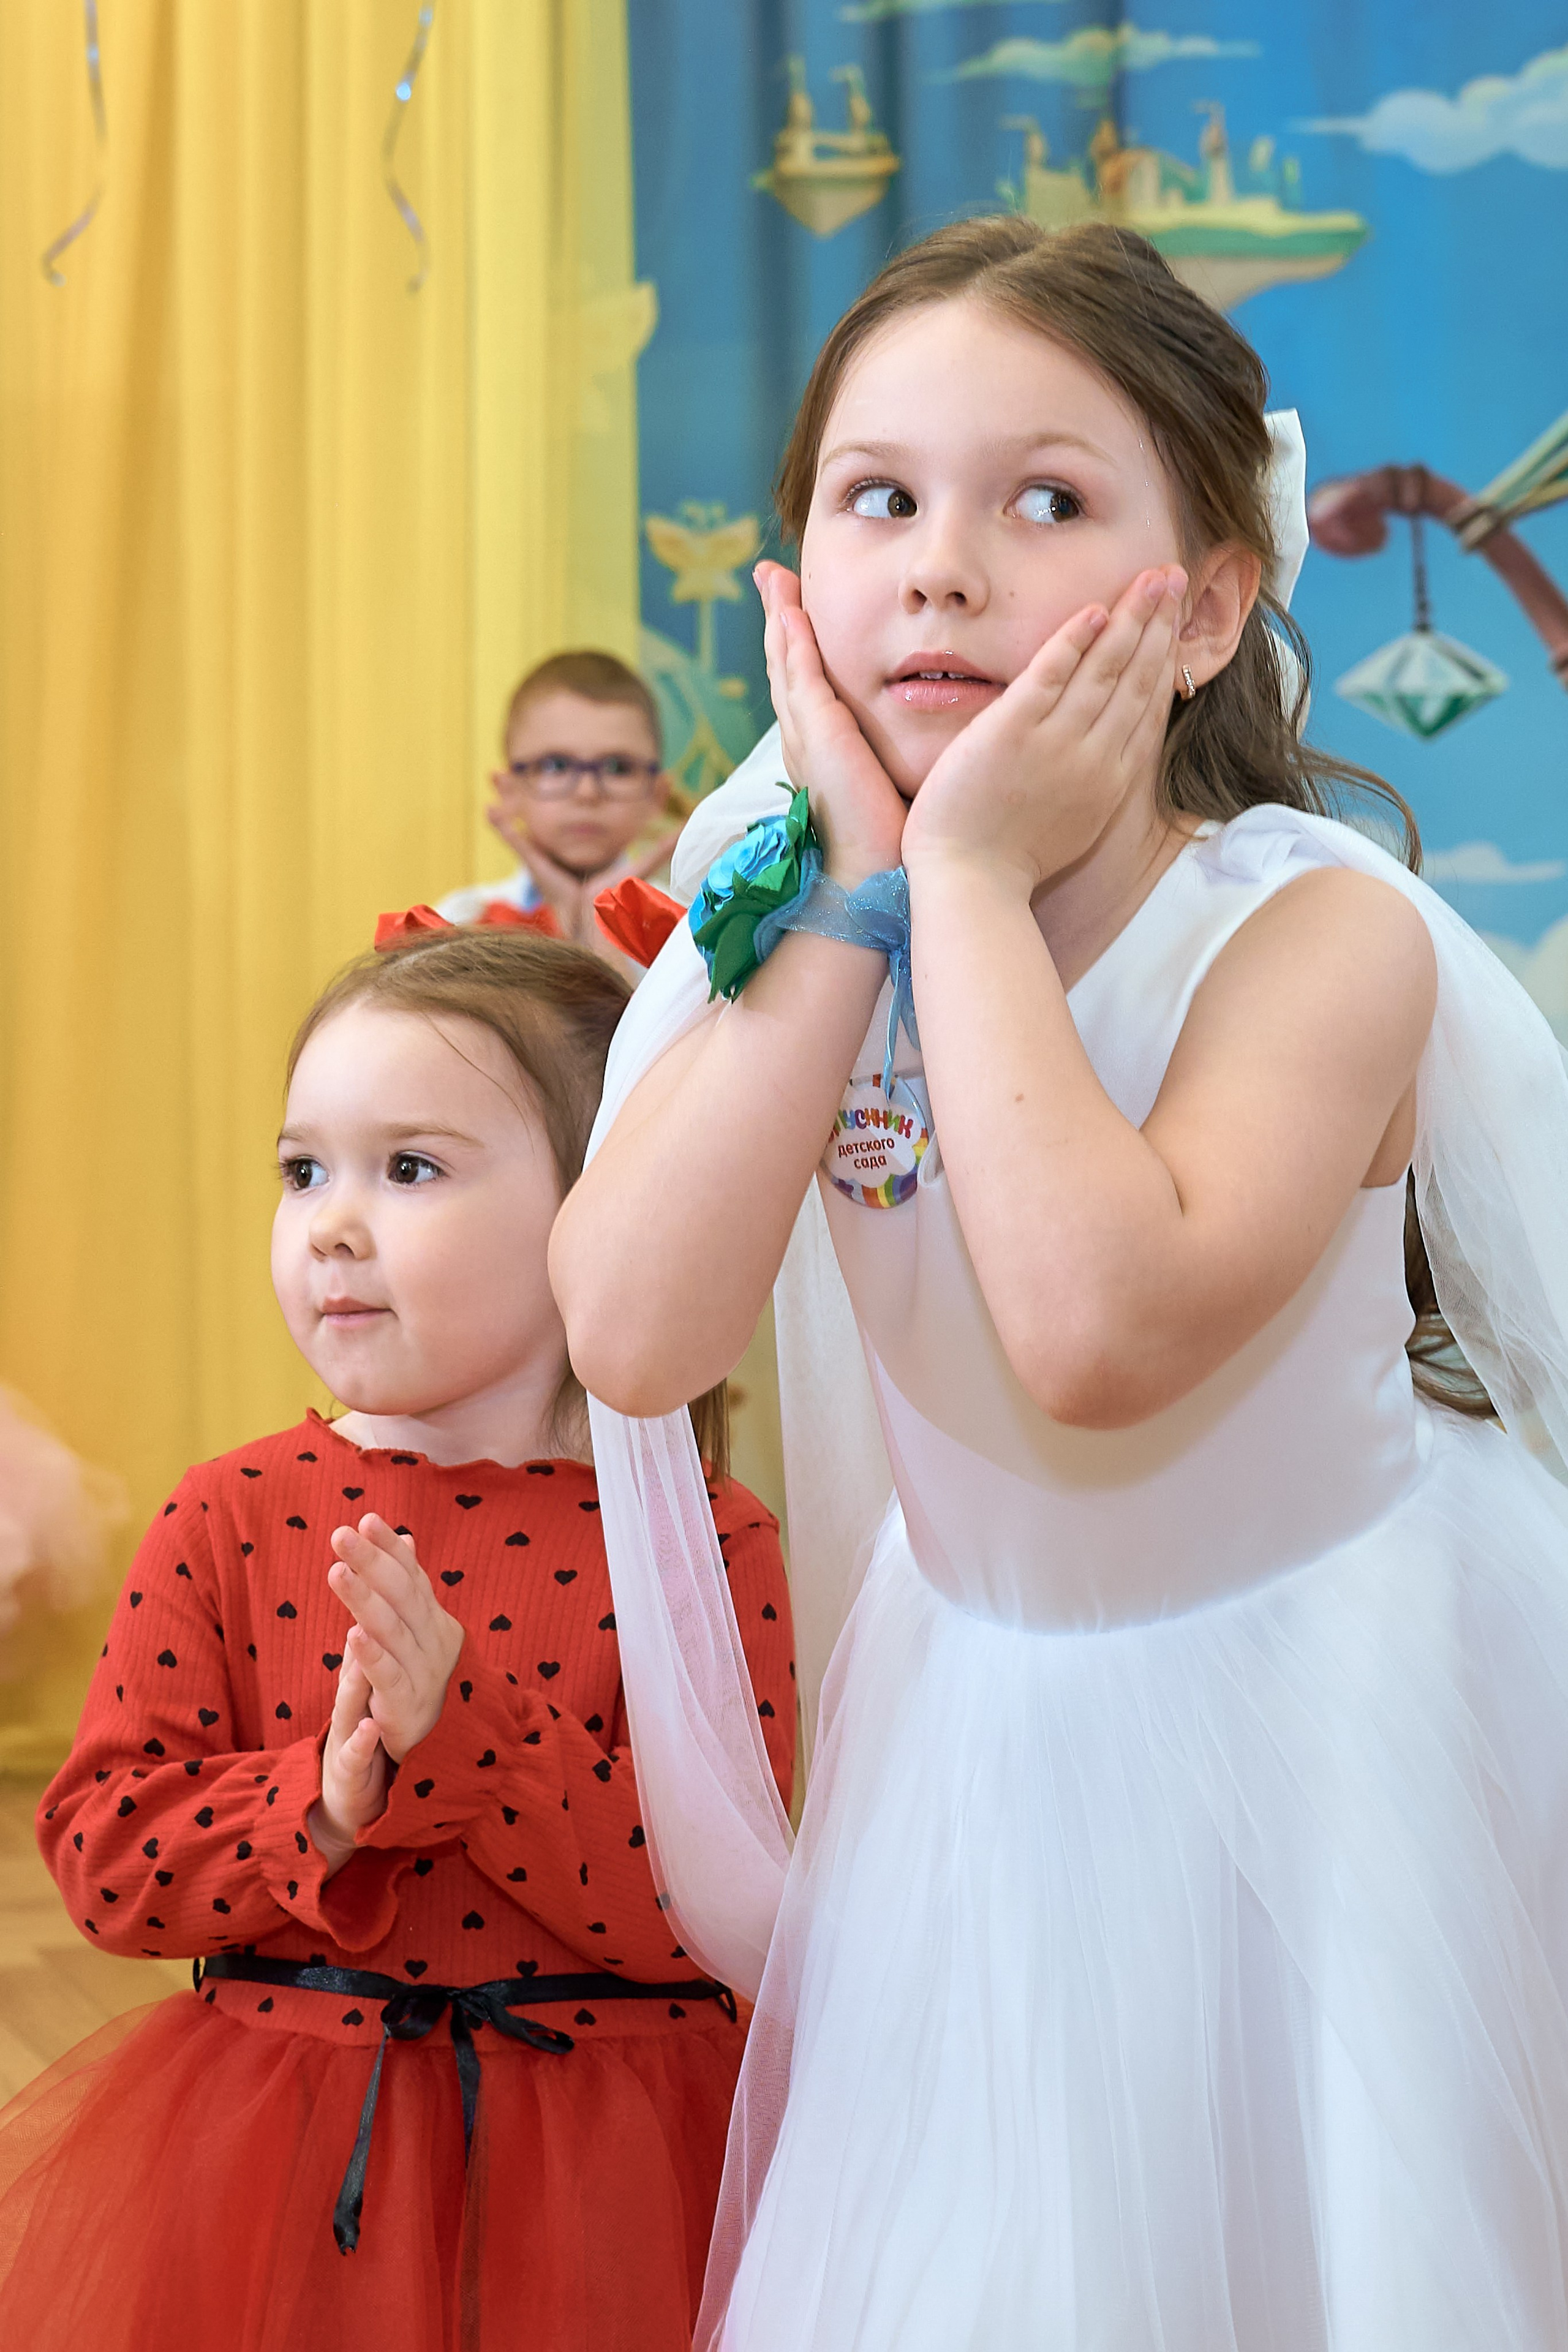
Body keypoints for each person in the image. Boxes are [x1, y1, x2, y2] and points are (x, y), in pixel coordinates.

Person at [551, 215, 1568, 2350]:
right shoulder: (800, 921)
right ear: (797, 590)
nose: (940, 568)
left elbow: (1096, 1334)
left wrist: (968, 879)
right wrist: (857, 900)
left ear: (1199, 607)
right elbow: (632, 1337)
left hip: (1325, 1729)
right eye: (879, 499)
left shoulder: (1314, 937)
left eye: (1044, 501)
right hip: (983, 1728)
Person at [0, 925, 794, 2352]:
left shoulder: (702, 1542)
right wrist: (321, 1798)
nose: (330, 1225)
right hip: (287, 2176)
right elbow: (110, 1863)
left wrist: (473, 1737)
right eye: (303, 1169)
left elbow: (716, 1915)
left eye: (409, 1168)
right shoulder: (229, 1513)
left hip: (612, 2190)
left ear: (603, 1208)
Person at [439, 650, 684, 969]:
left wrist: (600, 931)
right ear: (509, 791)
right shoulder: (461, 923)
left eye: (618, 767)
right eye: (555, 765)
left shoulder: (689, 933)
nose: (587, 793)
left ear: (656, 796)